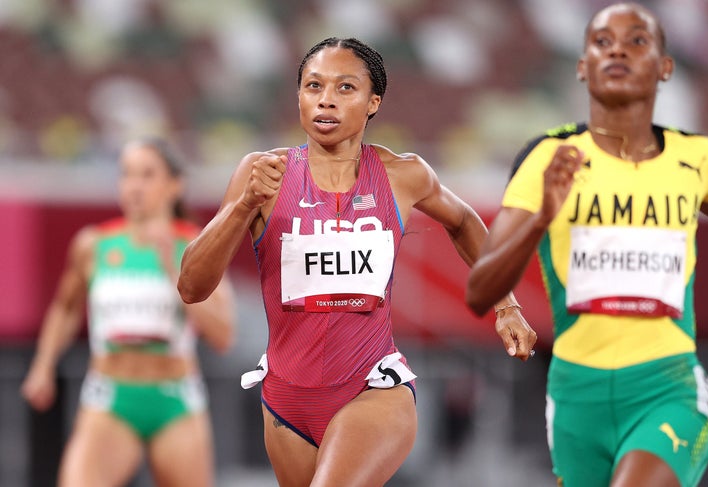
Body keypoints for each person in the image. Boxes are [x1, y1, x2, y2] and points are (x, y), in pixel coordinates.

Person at [177, 37, 537, 487]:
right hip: (286, 403)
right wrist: (242, 205)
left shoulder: (403, 175)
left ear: (373, 102)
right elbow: (191, 287)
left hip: (373, 389)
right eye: (314, 86)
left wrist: (506, 304)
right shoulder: (262, 173)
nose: (326, 99)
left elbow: (464, 222)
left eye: (345, 88)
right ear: (300, 97)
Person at [466, 3, 708, 486]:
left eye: (637, 41)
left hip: (666, 387)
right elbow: (480, 291)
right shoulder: (548, 158)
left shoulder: (700, 158)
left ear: (665, 66)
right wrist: (542, 216)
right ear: (583, 65)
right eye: (602, 43)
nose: (618, 52)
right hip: (574, 396)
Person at [21, 137, 235, 487]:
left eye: (147, 175)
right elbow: (65, 308)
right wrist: (43, 365)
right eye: (127, 175)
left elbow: (223, 335)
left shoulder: (197, 246)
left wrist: (173, 268)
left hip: (174, 401)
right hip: (110, 400)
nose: (134, 186)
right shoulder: (94, 244)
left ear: (174, 185)